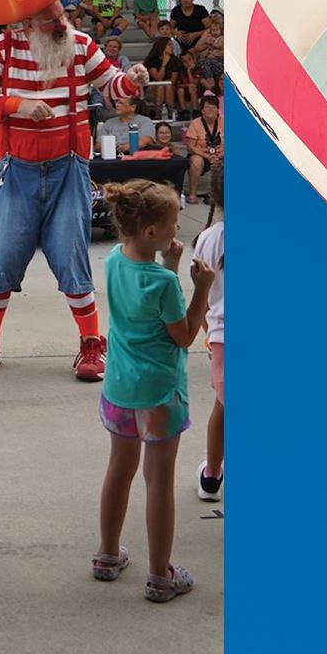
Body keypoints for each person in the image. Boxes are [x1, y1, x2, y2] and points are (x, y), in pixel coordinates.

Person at [0, 0, 148, 381]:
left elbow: (112, 86)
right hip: (17, 169)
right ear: (25, 23)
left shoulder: (78, 43)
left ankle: (92, 344)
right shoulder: (2, 49)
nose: (61, 21)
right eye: (50, 17)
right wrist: (16, 105)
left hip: (68, 169)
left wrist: (132, 79)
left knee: (71, 255)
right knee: (3, 252)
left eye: (60, 11)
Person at [95, 179, 215, 602]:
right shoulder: (163, 284)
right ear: (151, 233)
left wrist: (170, 266)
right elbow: (182, 335)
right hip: (160, 394)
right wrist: (200, 288)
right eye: (174, 223)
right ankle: (161, 574)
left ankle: (108, 555)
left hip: (119, 388)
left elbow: (144, 302)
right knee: (159, 480)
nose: (177, 230)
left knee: (119, 469)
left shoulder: (112, 259)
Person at [192, 195, 223, 503]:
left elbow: (202, 293)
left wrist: (209, 334)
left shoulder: (208, 239)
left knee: (223, 407)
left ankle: (212, 476)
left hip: (222, 337)